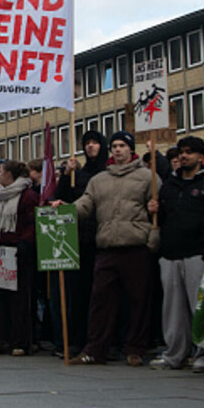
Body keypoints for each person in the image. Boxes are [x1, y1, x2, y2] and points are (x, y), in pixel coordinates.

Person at [70, 131, 157, 366]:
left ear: (130, 149)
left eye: (122, 146)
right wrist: (66, 209)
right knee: (100, 300)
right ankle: (95, 349)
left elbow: (160, 207)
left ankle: (135, 348)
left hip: (136, 245)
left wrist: (157, 207)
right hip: (107, 247)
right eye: (115, 146)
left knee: (138, 301)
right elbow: (86, 204)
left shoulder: (147, 176)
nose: (118, 149)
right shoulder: (99, 180)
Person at [147, 137, 204, 372]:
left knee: (200, 305)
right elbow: (164, 218)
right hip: (171, 253)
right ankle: (175, 352)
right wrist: (155, 211)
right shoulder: (170, 184)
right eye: (182, 152)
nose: (184, 156)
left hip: (197, 252)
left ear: (201, 157)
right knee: (173, 308)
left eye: (190, 152)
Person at [54, 130, 108, 357]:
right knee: (77, 294)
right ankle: (76, 339)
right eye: (87, 143)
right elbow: (62, 197)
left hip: (100, 238)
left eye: (95, 143)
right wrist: (67, 175)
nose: (90, 147)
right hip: (78, 240)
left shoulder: (105, 173)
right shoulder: (80, 173)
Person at [0, 160, 40, 356]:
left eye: (0, 171)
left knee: (19, 300)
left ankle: (20, 341)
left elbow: (31, 223)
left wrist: (23, 243)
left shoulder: (28, 196)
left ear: (10, 175)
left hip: (18, 251)